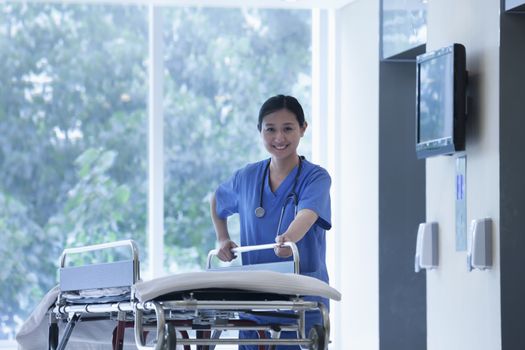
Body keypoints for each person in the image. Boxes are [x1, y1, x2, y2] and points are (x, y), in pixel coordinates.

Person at [210, 94, 332, 349]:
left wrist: (289, 238)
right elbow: (217, 201)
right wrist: (222, 237)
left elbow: (307, 214)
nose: (279, 138)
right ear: (260, 131)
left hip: (301, 301)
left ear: (303, 129)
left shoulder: (316, 177)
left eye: (288, 128)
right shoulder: (247, 176)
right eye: (270, 129)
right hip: (256, 303)